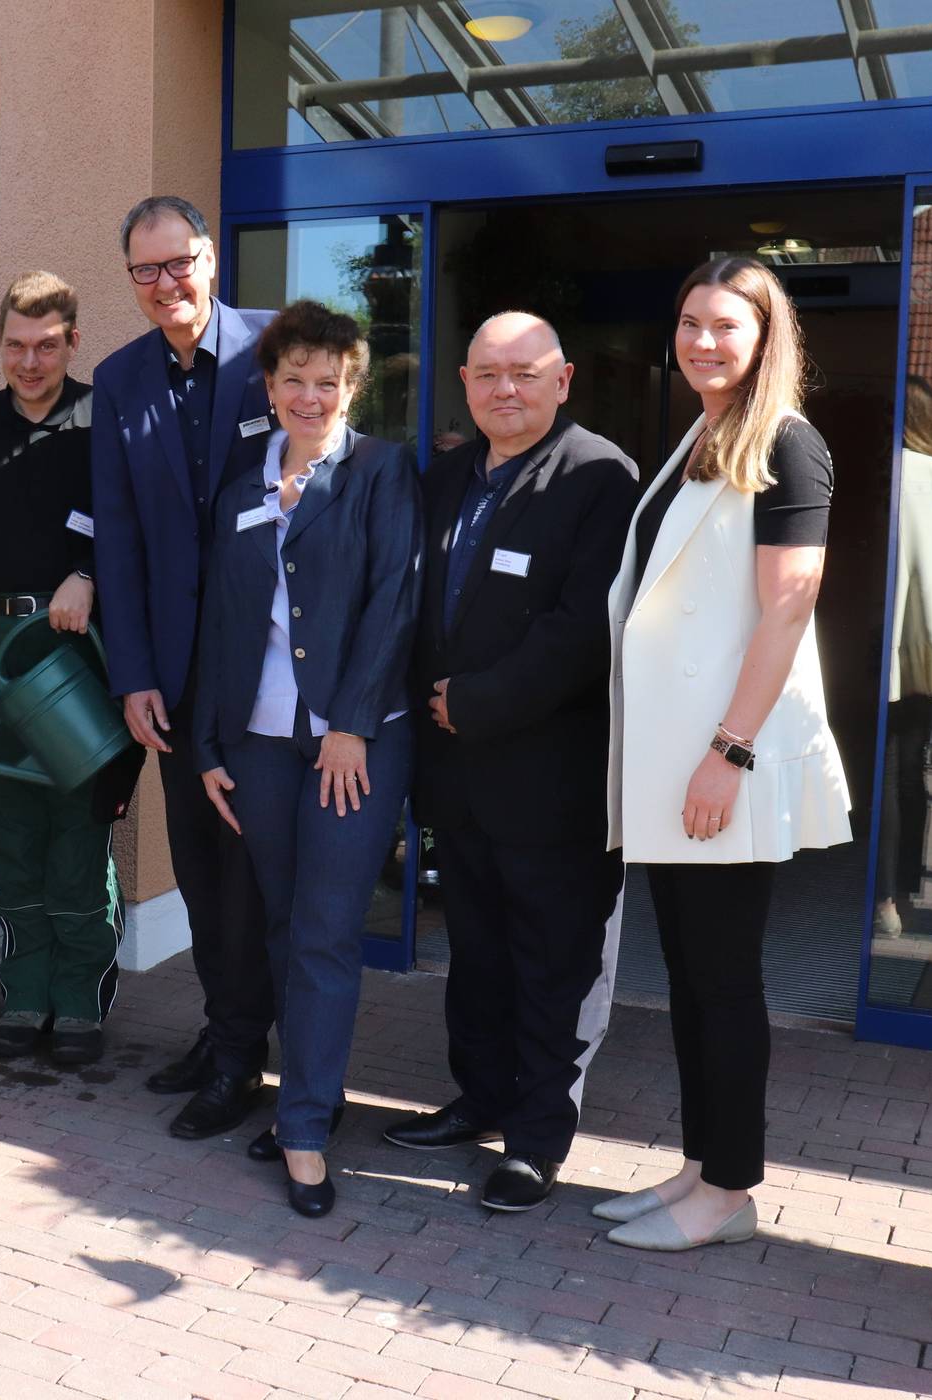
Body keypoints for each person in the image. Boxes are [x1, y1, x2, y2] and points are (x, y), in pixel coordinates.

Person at [597, 256, 852, 1252]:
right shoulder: (702, 437)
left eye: (727, 325)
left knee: (724, 979)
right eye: (692, 320)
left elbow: (790, 604)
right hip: (676, 763)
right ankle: (702, 1167)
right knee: (695, 979)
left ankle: (731, 1189)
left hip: (719, 761)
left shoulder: (789, 444)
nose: (705, 340)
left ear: (765, 336)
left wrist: (728, 751)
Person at [380, 312, 639, 1213]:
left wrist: (478, 701)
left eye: (525, 373)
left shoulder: (602, 477)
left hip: (551, 777)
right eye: (487, 373)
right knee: (477, 954)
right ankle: (480, 1099)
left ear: (563, 379)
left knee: (554, 964)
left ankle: (535, 1140)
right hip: (456, 775)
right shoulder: (445, 474)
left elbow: (584, 629)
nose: (505, 389)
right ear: (463, 380)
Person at [192, 300, 420, 1217]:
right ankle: (302, 1100)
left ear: (352, 385)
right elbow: (223, 620)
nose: (311, 395)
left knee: (325, 930)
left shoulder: (380, 470)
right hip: (260, 742)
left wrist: (352, 723)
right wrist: (209, 741)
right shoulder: (242, 484)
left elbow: (395, 600)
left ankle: (306, 1129)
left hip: (351, 745)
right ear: (270, 384)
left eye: (329, 380)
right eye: (295, 378)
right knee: (283, 926)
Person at [91, 194, 277, 1139]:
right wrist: (133, 673)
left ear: (212, 257)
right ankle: (224, 1027)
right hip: (172, 669)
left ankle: (247, 1050)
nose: (167, 285)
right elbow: (116, 538)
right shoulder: (120, 378)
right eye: (146, 271)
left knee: (248, 862)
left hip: (266, 668)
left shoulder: (278, 349)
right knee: (200, 864)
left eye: (180, 263)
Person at [0, 271, 123, 1067]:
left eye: (47, 346)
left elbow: (132, 525)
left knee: (76, 824)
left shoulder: (102, 420)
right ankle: (27, 993)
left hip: (75, 647)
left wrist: (92, 571)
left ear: (73, 342)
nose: (30, 361)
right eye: (16, 345)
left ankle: (80, 998)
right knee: (8, 829)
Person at [876, 376, 932, 938]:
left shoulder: (887, 472)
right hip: (929, 642)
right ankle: (906, 886)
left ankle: (881, 894)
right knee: (912, 770)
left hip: (885, 634)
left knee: (883, 774)